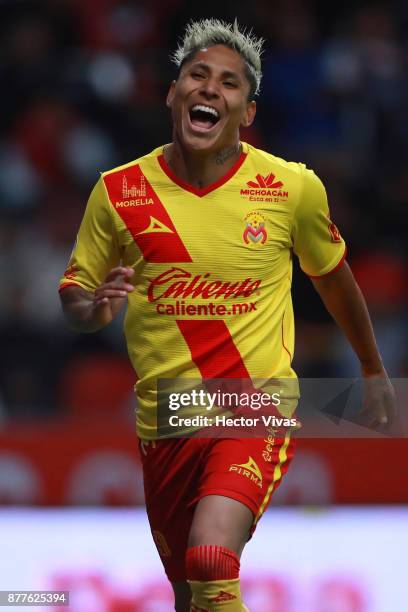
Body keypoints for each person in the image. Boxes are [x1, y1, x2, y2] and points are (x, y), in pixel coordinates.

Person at [59, 19, 395, 612]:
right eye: (198, 75)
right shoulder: (118, 191)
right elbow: (79, 300)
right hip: (166, 418)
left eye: (229, 84)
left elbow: (336, 282)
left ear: (247, 111)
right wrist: (92, 308)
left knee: (212, 556)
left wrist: (371, 369)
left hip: (255, 402)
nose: (211, 88)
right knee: (193, 596)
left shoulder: (290, 188)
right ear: (173, 93)